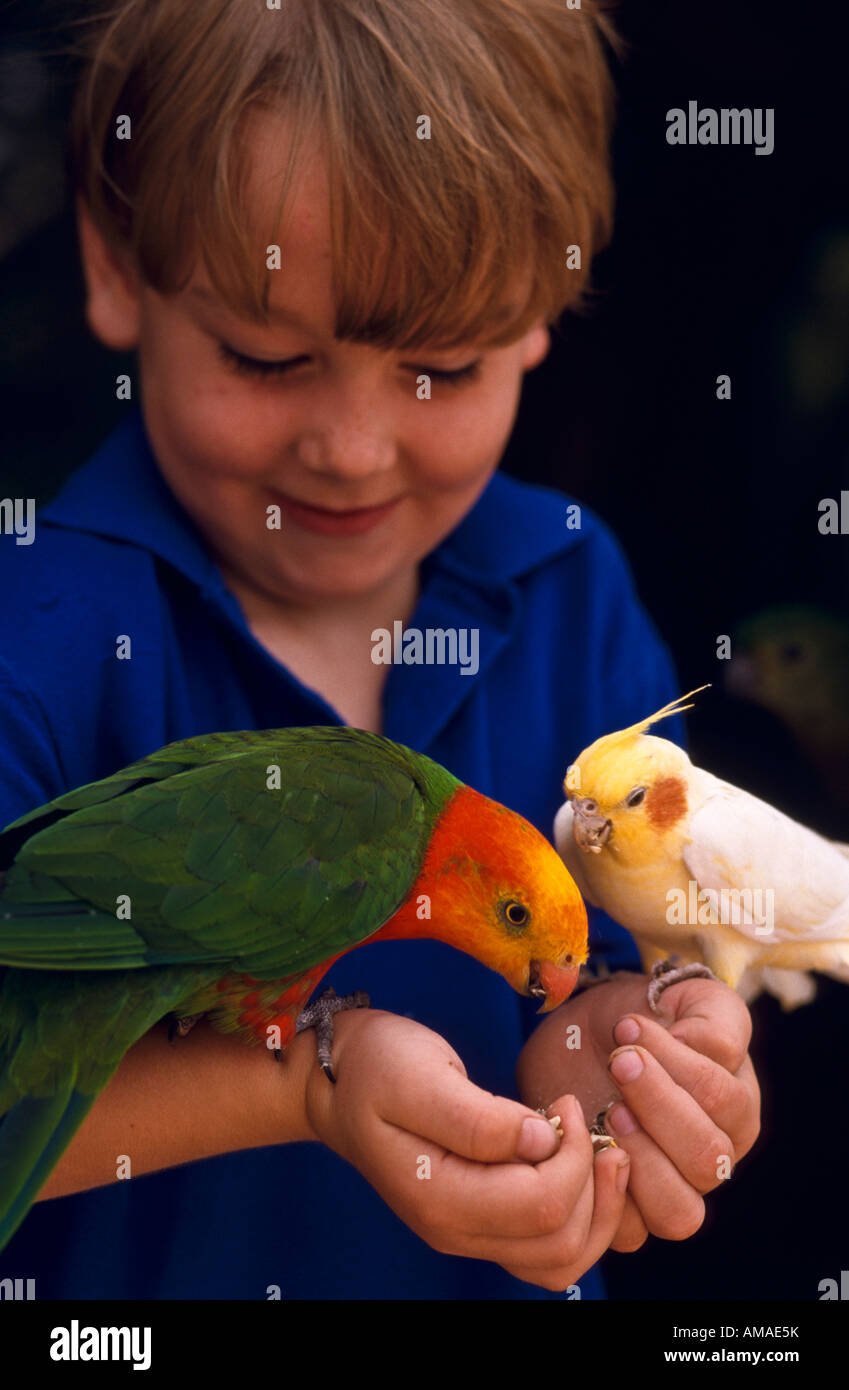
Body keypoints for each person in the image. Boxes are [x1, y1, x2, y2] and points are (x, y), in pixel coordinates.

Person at [0, 0, 759, 1298]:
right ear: (118, 269)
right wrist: (305, 1080)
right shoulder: (47, 630)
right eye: (266, 354)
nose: (351, 449)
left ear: (543, 316)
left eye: (442, 367)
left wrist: (629, 1061)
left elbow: (608, 982)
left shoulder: (571, 587)